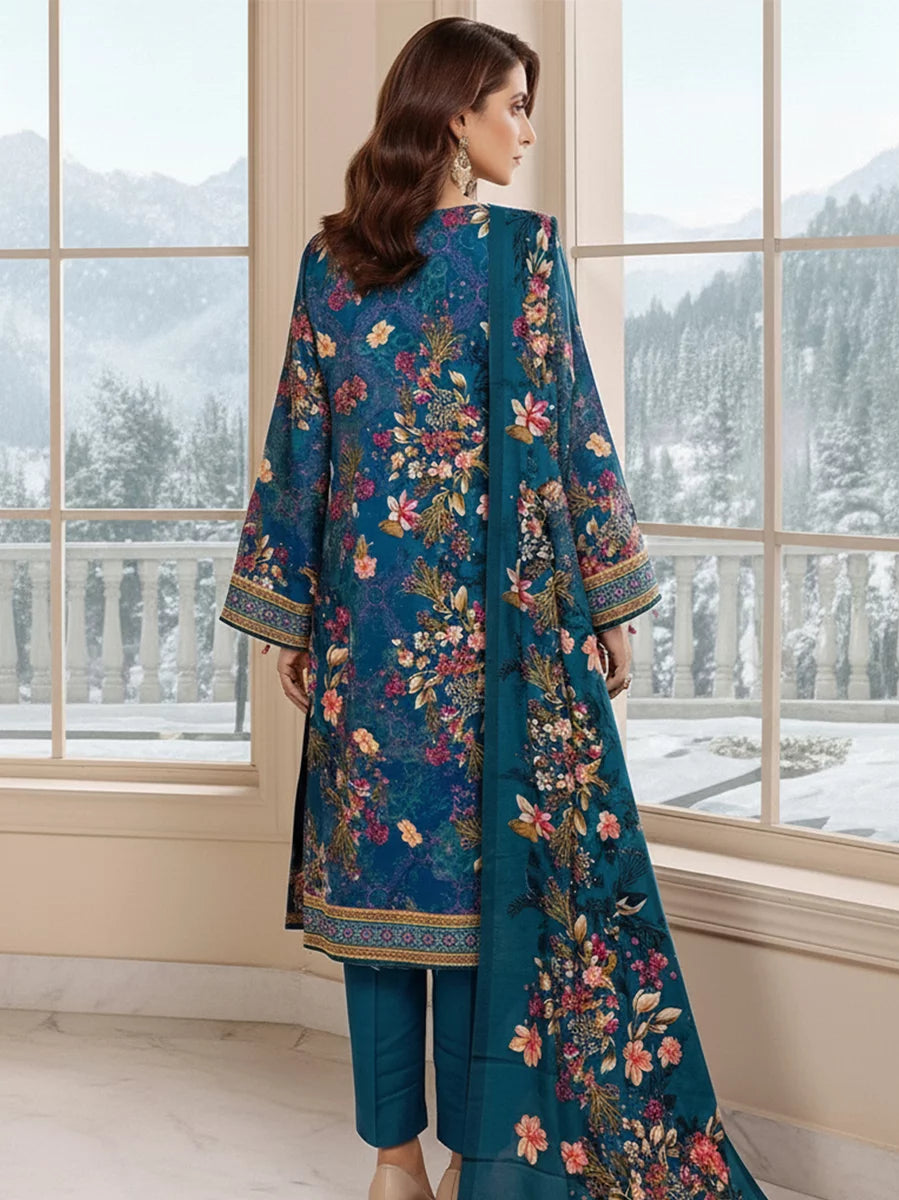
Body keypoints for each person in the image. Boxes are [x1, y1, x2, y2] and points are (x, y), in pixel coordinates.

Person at [219, 16, 771, 1200]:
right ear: (456, 112)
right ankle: (484, 1164)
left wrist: (297, 619)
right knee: (482, 915)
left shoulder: (333, 261)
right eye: (514, 105)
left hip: (371, 644)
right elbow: (570, 434)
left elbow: (299, 451)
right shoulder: (514, 260)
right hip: (491, 645)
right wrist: (609, 605)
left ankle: (393, 1167)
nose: (526, 129)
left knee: (383, 919)